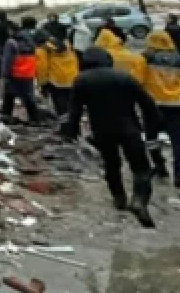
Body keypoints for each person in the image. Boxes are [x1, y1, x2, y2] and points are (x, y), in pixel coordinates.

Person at [63, 46, 162, 228]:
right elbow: (147, 103)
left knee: (112, 165)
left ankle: (119, 199)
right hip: (129, 129)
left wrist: (72, 132)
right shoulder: (124, 77)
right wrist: (153, 127)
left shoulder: (81, 80)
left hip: (102, 131)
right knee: (141, 168)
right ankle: (139, 201)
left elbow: (74, 111)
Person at [142, 30, 180, 188]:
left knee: (151, 138)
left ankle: (159, 165)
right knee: (178, 140)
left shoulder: (146, 58)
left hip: (152, 105)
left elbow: (139, 78)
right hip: (174, 105)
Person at [0, 16, 41, 124]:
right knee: (29, 97)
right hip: (28, 74)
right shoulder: (32, 41)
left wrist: (4, 74)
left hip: (14, 74)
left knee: (9, 96)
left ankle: (6, 117)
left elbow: (7, 60)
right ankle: (35, 119)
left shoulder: (11, 42)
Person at [37, 34, 79, 117]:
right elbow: (76, 62)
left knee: (60, 107)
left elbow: (42, 67)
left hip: (55, 81)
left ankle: (64, 126)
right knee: (71, 105)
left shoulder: (44, 49)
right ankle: (72, 124)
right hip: (72, 79)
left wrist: (42, 83)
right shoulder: (69, 45)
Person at [0, 10, 17, 78]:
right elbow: (17, 29)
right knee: (11, 58)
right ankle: (10, 72)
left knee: (0, 58)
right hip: (11, 43)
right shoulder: (11, 23)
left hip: (1, 43)